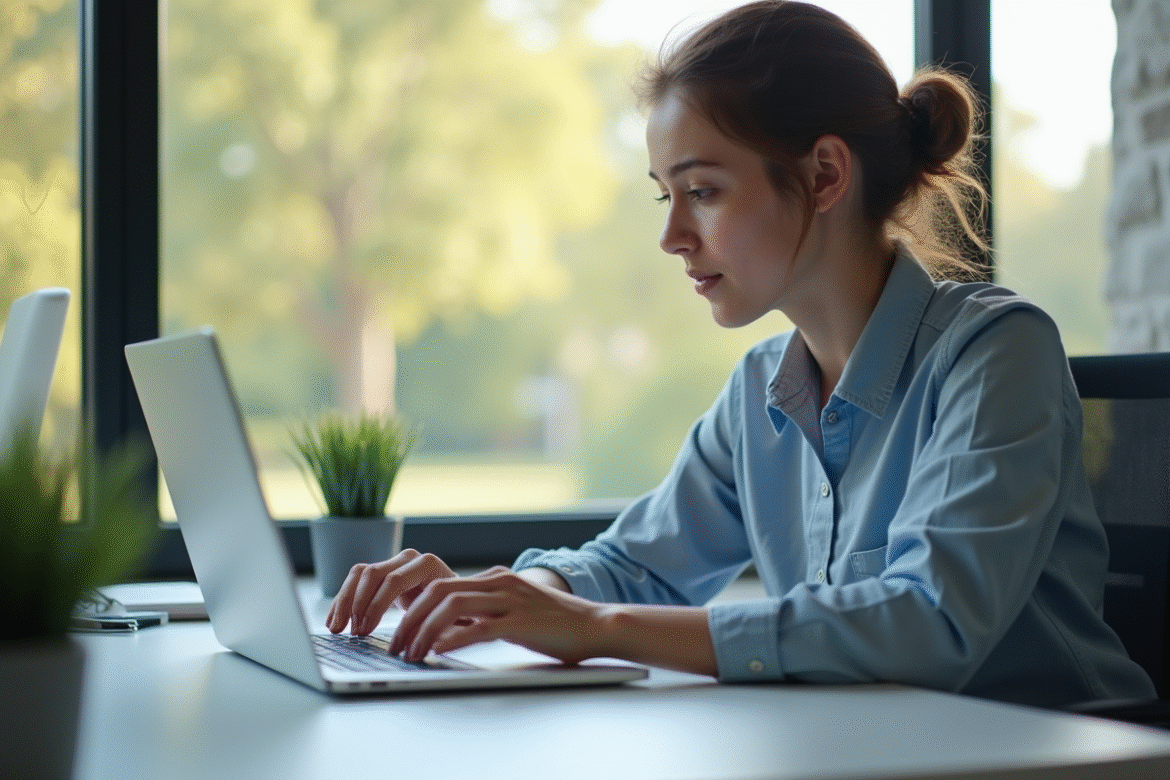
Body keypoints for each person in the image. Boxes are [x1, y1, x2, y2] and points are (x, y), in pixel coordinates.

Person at [326, 0, 1156, 707]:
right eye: (666, 195)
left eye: (703, 191)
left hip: (1059, 755)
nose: (672, 236)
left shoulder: (995, 354)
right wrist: (511, 597)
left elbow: (928, 623)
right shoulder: (762, 388)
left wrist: (597, 629)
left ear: (826, 174)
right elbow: (633, 565)